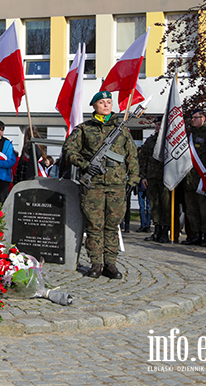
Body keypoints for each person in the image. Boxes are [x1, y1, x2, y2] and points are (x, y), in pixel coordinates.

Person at [64, 91, 139, 280]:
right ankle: (96, 263)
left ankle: (110, 264)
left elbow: (132, 156)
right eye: (102, 102)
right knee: (94, 225)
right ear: (94, 105)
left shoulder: (121, 130)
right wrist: (86, 164)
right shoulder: (84, 129)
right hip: (94, 185)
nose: (106, 105)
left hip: (117, 185)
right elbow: (69, 150)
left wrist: (133, 180)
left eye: (109, 102)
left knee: (113, 225)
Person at [181, 108, 206, 247]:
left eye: (197, 117)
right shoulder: (188, 136)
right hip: (189, 180)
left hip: (203, 179)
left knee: (205, 209)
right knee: (191, 210)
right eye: (192, 117)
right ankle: (196, 235)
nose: (193, 120)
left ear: (203, 119)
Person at [138, 127, 173, 244]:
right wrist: (143, 176)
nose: (158, 127)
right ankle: (156, 230)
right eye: (157, 124)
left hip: (166, 178)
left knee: (166, 205)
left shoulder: (170, 140)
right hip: (152, 177)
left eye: (160, 124)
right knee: (154, 205)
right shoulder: (150, 141)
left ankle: (165, 231)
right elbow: (143, 159)